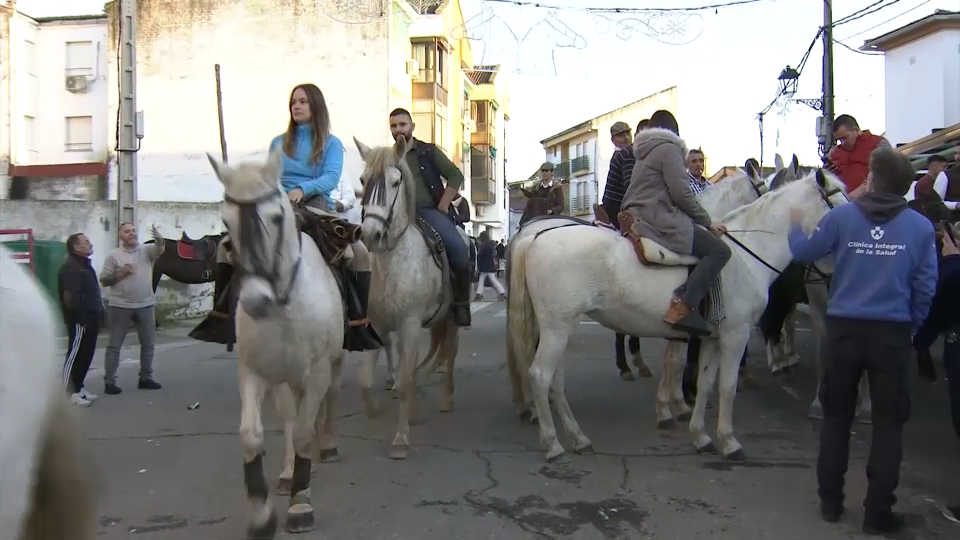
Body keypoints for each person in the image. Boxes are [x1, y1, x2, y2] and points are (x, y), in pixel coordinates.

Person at [788, 148, 937, 535]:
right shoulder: (920, 228)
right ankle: (877, 513)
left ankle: (831, 502)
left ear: (871, 178)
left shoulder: (842, 217)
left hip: (843, 331)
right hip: (891, 335)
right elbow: (925, 286)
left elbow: (805, 252)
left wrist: (794, 225)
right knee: (888, 425)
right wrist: (912, 329)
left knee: (837, 418)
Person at [271, 83, 381, 349]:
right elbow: (270, 175)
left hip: (317, 204)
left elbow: (330, 178)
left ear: (316, 106)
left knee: (360, 255)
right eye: (293, 102)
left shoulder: (331, 144)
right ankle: (225, 316)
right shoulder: (278, 142)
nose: (296, 106)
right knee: (230, 247)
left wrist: (302, 189)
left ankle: (357, 323)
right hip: (280, 206)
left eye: (302, 102)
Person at [620, 109, 731, 337]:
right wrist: (707, 221)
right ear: (674, 132)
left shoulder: (643, 152)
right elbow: (681, 193)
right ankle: (683, 305)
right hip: (658, 217)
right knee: (719, 250)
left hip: (638, 212)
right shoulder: (669, 149)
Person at [388, 107, 473, 326]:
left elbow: (456, 174)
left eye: (402, 125)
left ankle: (461, 304)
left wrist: (444, 203)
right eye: (394, 126)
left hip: (428, 212)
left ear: (412, 127)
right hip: (397, 215)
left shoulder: (428, 151)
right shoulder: (387, 157)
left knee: (458, 249)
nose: (398, 130)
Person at [100, 222, 166, 395]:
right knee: (114, 345)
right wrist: (120, 274)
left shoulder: (146, 251)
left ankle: (146, 378)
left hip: (145, 304)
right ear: (120, 236)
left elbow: (159, 249)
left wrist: (160, 239)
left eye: (134, 230)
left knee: (148, 344)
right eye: (127, 231)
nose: (132, 233)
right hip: (120, 306)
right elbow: (105, 280)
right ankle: (110, 381)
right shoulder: (113, 256)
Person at [58, 232, 103, 407]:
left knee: (86, 354)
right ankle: (68, 393)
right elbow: (69, 297)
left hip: (92, 317)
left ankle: (78, 387)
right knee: (75, 354)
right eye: (86, 242)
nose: (90, 244)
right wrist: (79, 318)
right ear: (76, 247)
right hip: (79, 320)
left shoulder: (85, 265)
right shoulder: (71, 267)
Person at [826, 114, 892, 199]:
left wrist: (862, 189)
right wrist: (827, 172)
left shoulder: (878, 143)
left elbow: (884, 173)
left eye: (845, 138)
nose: (843, 143)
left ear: (856, 130)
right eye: (839, 140)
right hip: (840, 203)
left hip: (872, 202)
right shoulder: (834, 152)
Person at [600, 121, 637, 230]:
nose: (626, 138)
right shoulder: (627, 153)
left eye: (627, 134)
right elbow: (630, 186)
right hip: (618, 209)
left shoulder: (617, 155)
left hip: (609, 207)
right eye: (621, 135)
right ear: (613, 140)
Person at [519, 162, 565, 226]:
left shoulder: (557, 188)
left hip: (552, 218)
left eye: (546, 171)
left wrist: (551, 210)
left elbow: (561, 206)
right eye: (542, 171)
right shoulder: (536, 187)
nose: (544, 173)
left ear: (552, 172)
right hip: (538, 218)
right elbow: (532, 201)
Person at [474, 231, 506, 301]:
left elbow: (480, 254)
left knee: (491, 280)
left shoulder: (484, 245)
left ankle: (501, 292)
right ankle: (479, 293)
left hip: (485, 265)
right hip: (489, 264)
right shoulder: (491, 245)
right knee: (484, 279)